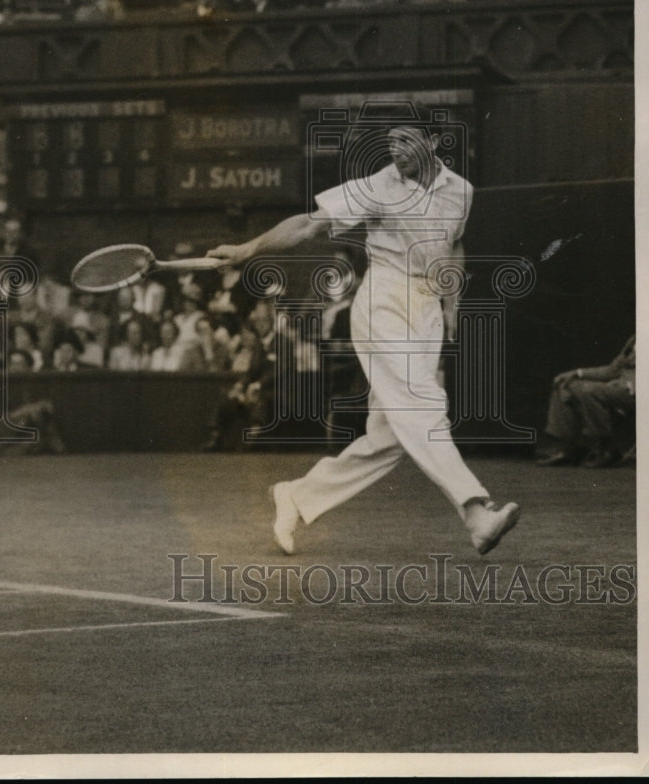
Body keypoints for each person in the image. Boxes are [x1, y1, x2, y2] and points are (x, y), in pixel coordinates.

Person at [207, 119, 520, 556]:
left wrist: (451, 303)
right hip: (384, 300)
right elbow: (308, 225)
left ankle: (297, 495)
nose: (397, 150)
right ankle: (475, 511)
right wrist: (245, 250)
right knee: (422, 402)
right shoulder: (378, 185)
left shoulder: (461, 190)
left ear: (433, 143)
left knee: (391, 435)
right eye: (391, 142)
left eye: (407, 141)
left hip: (427, 308)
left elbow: (454, 245)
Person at [538, 335, 636, 468]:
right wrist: (576, 373)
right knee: (565, 385)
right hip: (619, 388)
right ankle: (568, 448)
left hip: (640, 393)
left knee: (588, 390)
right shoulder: (635, 339)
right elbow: (611, 371)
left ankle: (608, 447)